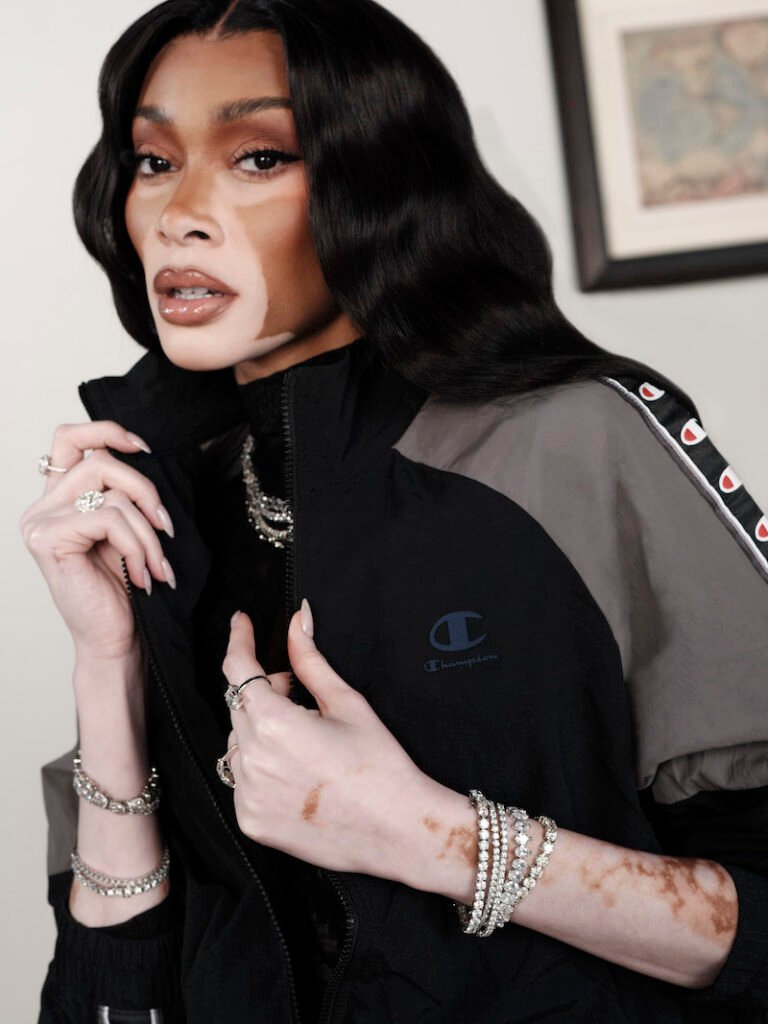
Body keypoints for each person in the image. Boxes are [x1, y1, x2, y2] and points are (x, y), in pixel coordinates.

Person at [21, 1, 768, 1022]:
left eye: (258, 157)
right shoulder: (158, 501)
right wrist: (108, 665)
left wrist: (427, 835)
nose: (177, 213)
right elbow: (108, 1001)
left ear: (380, 180)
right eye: (154, 161)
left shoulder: (574, 440)